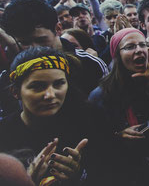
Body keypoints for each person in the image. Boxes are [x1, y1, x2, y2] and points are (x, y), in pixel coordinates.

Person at [0, 47, 121, 185]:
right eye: (37, 86)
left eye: (58, 84)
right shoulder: (4, 135)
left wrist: (80, 174)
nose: (50, 95)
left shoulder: (90, 122)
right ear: (15, 92)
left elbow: (113, 175)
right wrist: (23, 181)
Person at [0, 0, 108, 116]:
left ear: (58, 29)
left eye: (40, 40)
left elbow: (107, 106)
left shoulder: (90, 64)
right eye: (24, 43)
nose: (34, 48)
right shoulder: (13, 74)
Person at [89, 28, 149, 185]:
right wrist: (117, 136)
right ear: (117, 55)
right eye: (130, 47)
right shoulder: (100, 95)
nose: (139, 50)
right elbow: (93, 142)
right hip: (122, 173)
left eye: (143, 45)